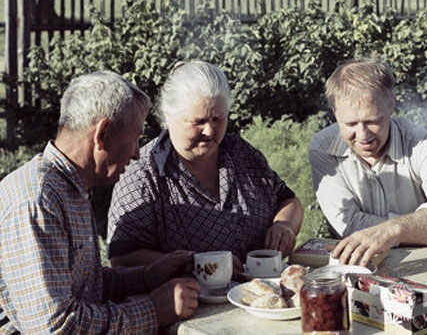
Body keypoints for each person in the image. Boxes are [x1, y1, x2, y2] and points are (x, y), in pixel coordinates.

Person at [0, 71, 201, 333]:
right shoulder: (38, 201)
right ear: (102, 133)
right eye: (135, 137)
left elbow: (86, 285)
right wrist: (153, 310)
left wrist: (148, 276)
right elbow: (55, 327)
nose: (138, 153)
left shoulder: (70, 187)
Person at [107, 60, 303, 272]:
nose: (209, 131)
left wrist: (283, 226)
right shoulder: (143, 174)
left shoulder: (241, 154)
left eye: (218, 119)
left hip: (261, 295)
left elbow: (288, 201)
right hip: (190, 301)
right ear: (168, 116)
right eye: (198, 121)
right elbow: (122, 257)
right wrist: (194, 263)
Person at [309, 59, 427, 266]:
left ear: (392, 103)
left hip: (423, 265)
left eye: (373, 121)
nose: (363, 135)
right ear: (334, 110)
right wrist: (424, 232)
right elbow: (347, 225)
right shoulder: (322, 148)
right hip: (360, 267)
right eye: (350, 124)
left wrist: (393, 230)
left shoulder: (425, 145)